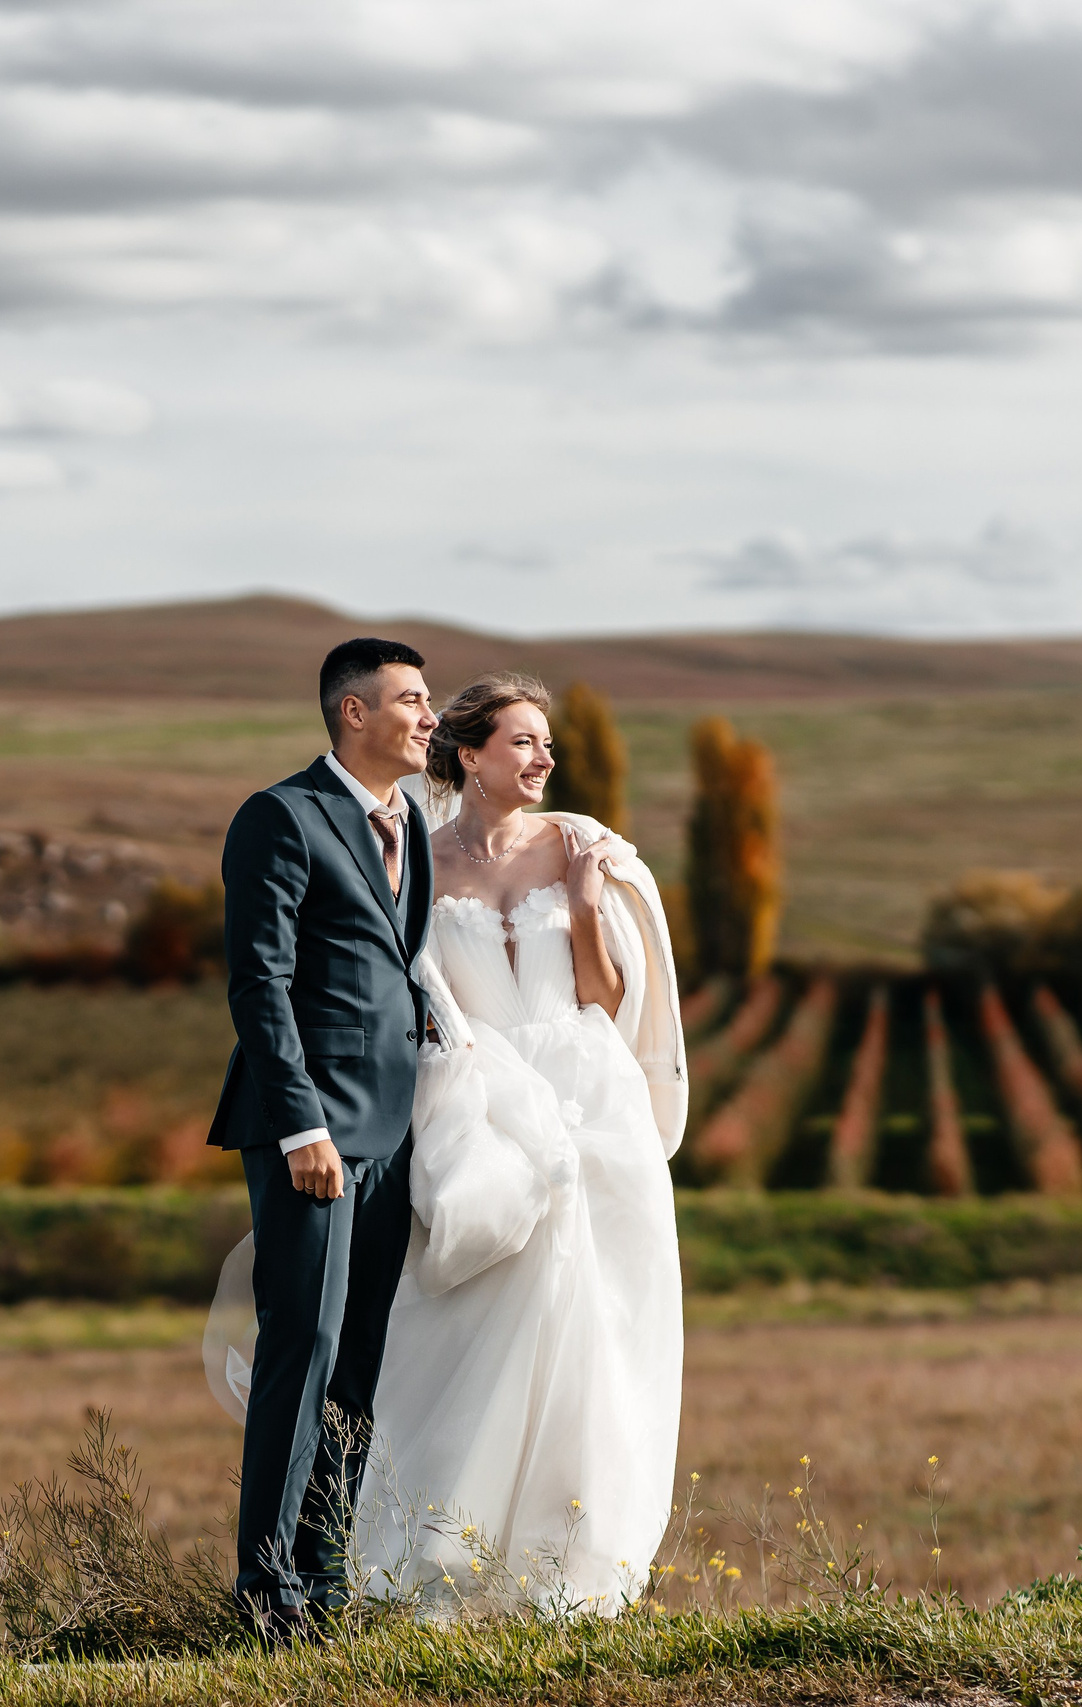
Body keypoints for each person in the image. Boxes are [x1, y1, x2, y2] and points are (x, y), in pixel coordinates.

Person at [204, 669, 686, 1616]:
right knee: (449, 1333)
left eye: (549, 743)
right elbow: (371, 985)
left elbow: (610, 1000)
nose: (545, 757)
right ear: (469, 755)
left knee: (589, 1329)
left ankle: (567, 1560)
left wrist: (587, 905)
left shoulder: (588, 849)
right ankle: (398, 1556)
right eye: (523, 740)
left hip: (585, 1110)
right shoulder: (404, 846)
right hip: (468, 1112)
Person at [205, 637, 439, 1640]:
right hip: (310, 1132)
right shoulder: (279, 817)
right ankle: (267, 1596)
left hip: (392, 1131)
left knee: (357, 1365)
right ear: (353, 712)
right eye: (412, 701)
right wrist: (301, 1123)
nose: (429, 718)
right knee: (300, 1351)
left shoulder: (410, 824)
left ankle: (326, 1575)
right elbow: (258, 981)